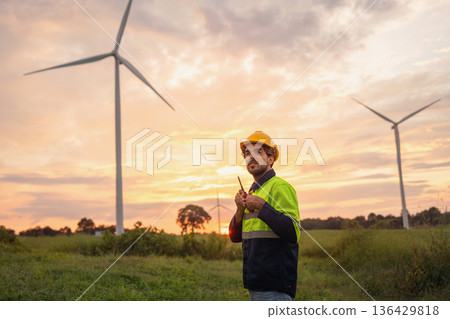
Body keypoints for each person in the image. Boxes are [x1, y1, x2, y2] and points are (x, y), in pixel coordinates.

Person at [229, 130, 300, 301]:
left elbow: (293, 232)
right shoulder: (253, 191)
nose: (251, 157)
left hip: (275, 287)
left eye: (257, 152)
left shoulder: (280, 187)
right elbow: (235, 237)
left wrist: (262, 207)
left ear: (270, 159)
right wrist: (240, 209)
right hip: (256, 284)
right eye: (247, 153)